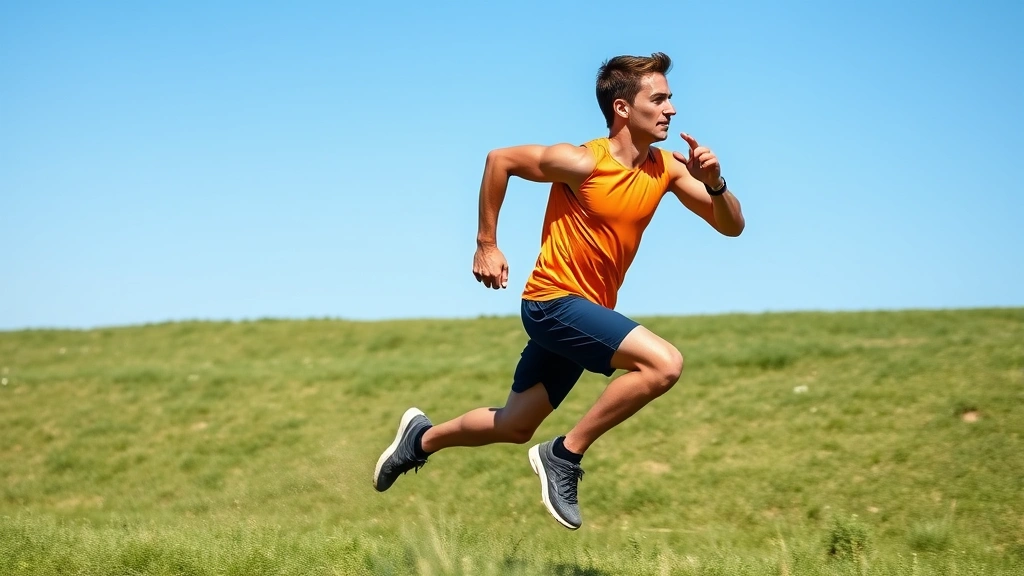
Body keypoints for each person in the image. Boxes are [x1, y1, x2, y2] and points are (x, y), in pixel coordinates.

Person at [372, 52, 745, 530]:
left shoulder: (668, 169)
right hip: (552, 302)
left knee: (515, 424)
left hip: (584, 312)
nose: (671, 108)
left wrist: (716, 185)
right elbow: (500, 160)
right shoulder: (583, 161)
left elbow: (731, 226)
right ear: (623, 108)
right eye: (658, 99)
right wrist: (487, 244)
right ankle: (564, 455)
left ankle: (420, 440)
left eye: (670, 98)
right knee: (664, 364)